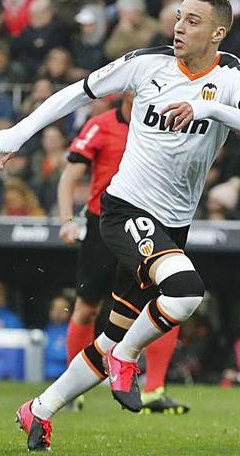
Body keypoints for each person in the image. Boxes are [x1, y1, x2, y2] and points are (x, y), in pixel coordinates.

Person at [0, 0, 240, 451]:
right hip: (125, 209)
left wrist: (207, 107)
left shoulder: (234, 76)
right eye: (178, 17)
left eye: (193, 21)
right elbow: (77, 92)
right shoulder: (146, 63)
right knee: (185, 293)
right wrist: (17, 133)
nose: (178, 26)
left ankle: (39, 410)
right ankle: (129, 359)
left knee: (111, 336)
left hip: (173, 224)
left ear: (218, 33)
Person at [56, 90, 188, 413]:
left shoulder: (162, 125)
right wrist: (66, 221)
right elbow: (70, 175)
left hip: (147, 228)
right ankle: (74, 390)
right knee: (87, 308)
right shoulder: (100, 126)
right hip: (104, 225)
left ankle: (154, 389)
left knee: (169, 298)